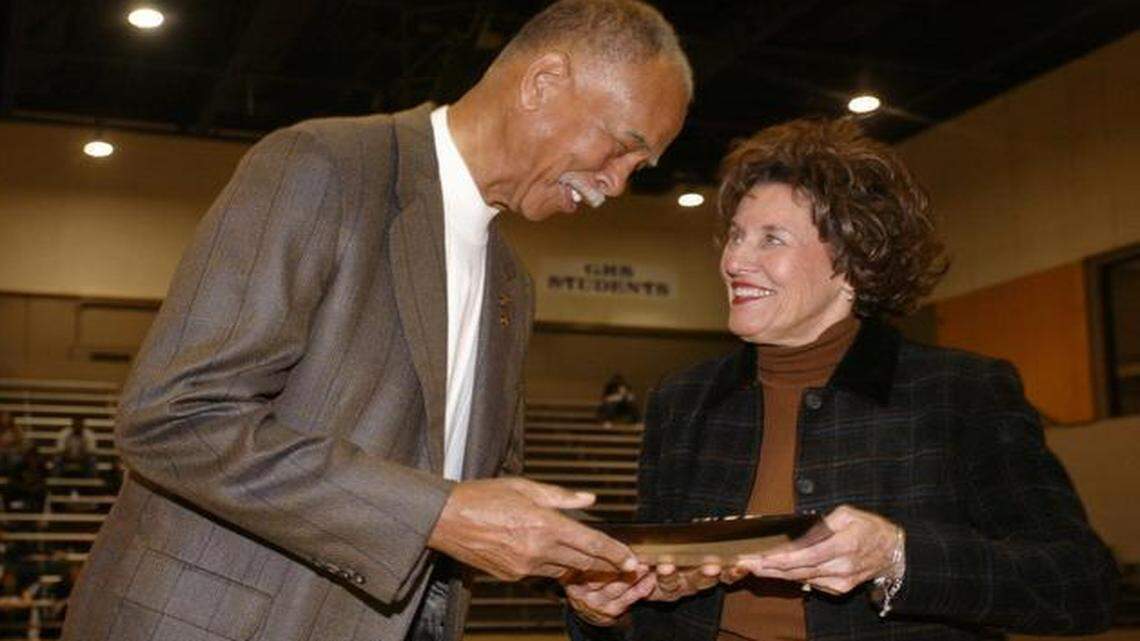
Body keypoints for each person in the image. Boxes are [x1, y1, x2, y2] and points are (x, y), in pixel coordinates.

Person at [61, 1, 691, 639]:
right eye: (622, 148)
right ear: (543, 83)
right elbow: (174, 416)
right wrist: (435, 516)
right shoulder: (322, 165)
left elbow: (475, 491)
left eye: (637, 171)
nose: (615, 185)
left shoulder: (512, 284)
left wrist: (580, 566)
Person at [565, 118, 1119, 640]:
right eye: (735, 236)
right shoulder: (682, 401)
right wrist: (605, 609)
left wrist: (897, 555)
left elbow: (1079, 584)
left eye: (771, 239)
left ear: (854, 259)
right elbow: (648, 609)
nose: (734, 260)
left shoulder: (960, 393)